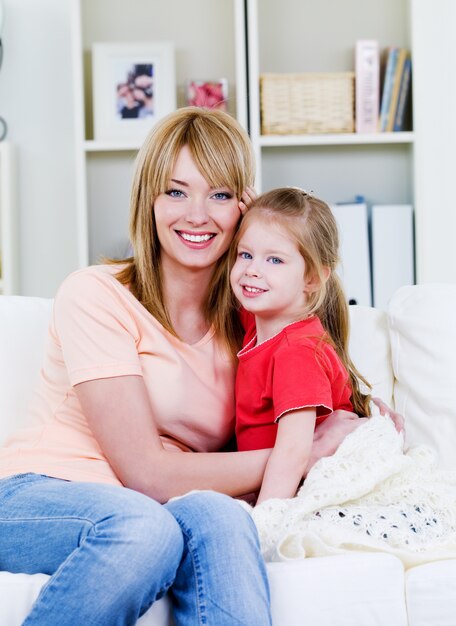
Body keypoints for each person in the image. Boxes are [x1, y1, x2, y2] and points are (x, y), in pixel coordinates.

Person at [0, 107, 398, 625]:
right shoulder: (96, 294)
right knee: (143, 527)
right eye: (176, 191)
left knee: (222, 519)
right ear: (149, 200)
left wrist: (360, 433)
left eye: (220, 195)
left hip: (170, 506)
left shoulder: (250, 323)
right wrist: (302, 455)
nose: (197, 214)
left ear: (242, 207)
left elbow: (311, 344)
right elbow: (145, 474)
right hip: (42, 494)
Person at [230, 187, 376, 504]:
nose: (252, 269)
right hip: (279, 486)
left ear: (311, 279)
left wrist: (264, 524)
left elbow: (293, 454)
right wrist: (260, 219)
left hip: (303, 493)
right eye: (245, 254)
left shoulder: (297, 352)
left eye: (274, 259)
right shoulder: (262, 322)